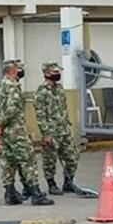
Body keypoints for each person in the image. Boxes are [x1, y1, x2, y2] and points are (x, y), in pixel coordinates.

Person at [0, 59, 54, 206]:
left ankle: (10, 193)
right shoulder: (13, 87)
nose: (21, 71)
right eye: (19, 69)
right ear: (12, 71)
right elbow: (12, 109)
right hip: (16, 131)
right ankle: (36, 194)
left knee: (8, 161)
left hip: (4, 134)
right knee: (28, 160)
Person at [34, 62, 82, 195]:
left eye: (58, 72)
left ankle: (68, 182)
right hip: (51, 131)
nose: (57, 74)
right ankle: (51, 184)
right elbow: (40, 114)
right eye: (54, 72)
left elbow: (63, 108)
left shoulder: (60, 89)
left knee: (72, 156)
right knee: (50, 160)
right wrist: (46, 133)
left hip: (64, 130)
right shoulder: (41, 92)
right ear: (46, 73)